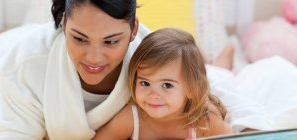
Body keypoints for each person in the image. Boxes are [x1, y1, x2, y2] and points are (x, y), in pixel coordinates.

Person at [0, 0, 274, 139]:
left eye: (111, 41)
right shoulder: (28, 61)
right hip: (9, 48)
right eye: (79, 38)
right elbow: (10, 130)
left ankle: (222, 59)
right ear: (63, 24)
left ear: (132, 29)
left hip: (205, 72)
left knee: (217, 74)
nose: (95, 57)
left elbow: (205, 92)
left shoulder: (148, 53)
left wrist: (250, 130)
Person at [93, 28, 233, 139]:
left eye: (167, 85)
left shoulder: (204, 121)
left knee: (220, 77)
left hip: (207, 85)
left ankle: (222, 62)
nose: (153, 95)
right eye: (145, 83)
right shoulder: (132, 117)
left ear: (191, 88)